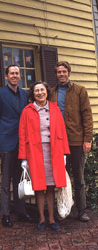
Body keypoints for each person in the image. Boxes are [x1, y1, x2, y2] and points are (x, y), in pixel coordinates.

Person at [19, 81, 70, 231]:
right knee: (39, 187)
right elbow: (22, 136)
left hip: (53, 152)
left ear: (47, 92)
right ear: (33, 94)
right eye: (36, 91)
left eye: (42, 90)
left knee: (50, 186)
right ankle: (41, 218)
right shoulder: (27, 111)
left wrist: (64, 153)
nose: (40, 93)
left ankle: (52, 218)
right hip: (35, 153)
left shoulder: (55, 109)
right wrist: (23, 158)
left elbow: (62, 131)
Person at [0, 64, 32, 227]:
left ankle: (21, 212)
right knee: (6, 181)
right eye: (11, 73)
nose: (14, 76)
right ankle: (6, 214)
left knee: (20, 179)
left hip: (22, 144)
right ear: (6, 76)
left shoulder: (25, 94)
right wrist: (2, 135)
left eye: (17, 73)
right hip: (7, 143)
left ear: (20, 76)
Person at [51, 61, 93, 222]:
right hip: (58, 143)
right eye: (59, 72)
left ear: (69, 73)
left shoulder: (79, 90)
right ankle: (64, 208)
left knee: (79, 178)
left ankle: (81, 210)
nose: (61, 74)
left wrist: (87, 139)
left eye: (64, 71)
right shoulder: (52, 92)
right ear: (56, 74)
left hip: (76, 141)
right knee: (61, 178)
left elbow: (87, 116)